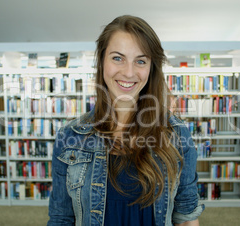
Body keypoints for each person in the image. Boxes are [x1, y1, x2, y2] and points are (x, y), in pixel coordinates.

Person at [48, 15, 204, 226]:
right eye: (118, 58)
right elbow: (61, 219)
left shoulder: (176, 134)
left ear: (151, 68)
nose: (129, 72)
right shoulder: (70, 137)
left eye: (140, 61)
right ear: (102, 61)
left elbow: (186, 219)